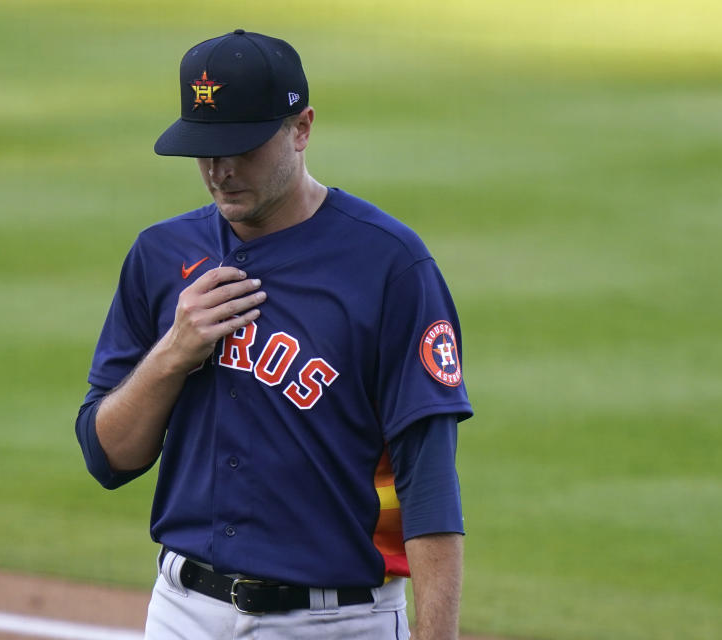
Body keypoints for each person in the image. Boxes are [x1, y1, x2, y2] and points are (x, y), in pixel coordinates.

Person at [76, 29, 472, 640]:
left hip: (338, 620)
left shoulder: (390, 267)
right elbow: (108, 457)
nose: (221, 171)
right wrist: (171, 355)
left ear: (302, 128)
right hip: (183, 613)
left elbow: (430, 485)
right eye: (205, 150)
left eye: (242, 147)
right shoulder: (161, 255)